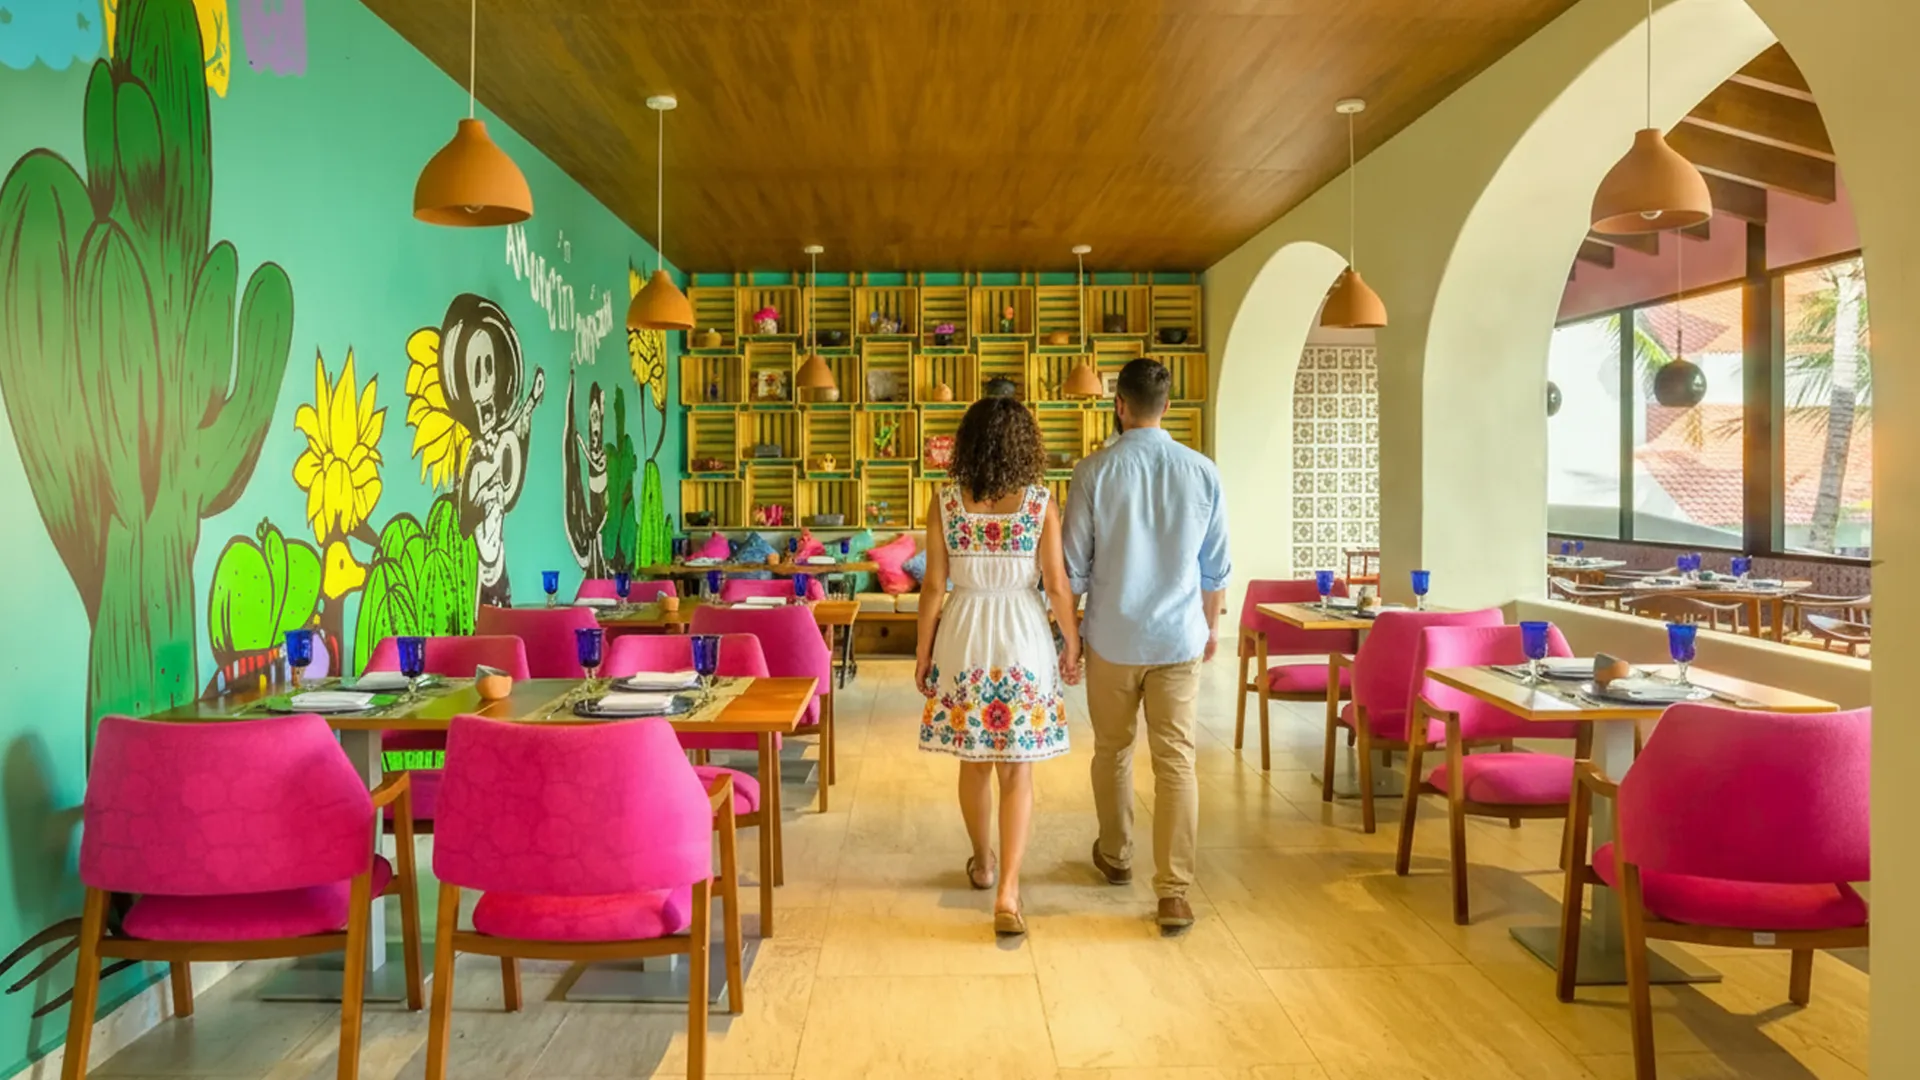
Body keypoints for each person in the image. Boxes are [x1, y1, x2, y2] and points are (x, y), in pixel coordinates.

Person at [1064, 357, 1230, 930]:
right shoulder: (1202, 471)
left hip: (1111, 637)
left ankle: (1116, 857)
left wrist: (1070, 638)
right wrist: (1210, 629)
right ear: (1167, 407)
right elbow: (1216, 569)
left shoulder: (1093, 472)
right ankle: (1174, 892)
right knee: (1176, 760)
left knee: (1112, 750)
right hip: (1179, 639)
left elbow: (1072, 569)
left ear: (1119, 405)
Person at [915, 396, 1082, 937]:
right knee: (1017, 767)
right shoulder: (1039, 503)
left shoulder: (944, 502)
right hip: (1022, 635)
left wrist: (923, 653)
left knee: (973, 760)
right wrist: (1072, 642)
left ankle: (983, 863)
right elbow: (1056, 585)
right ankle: (1009, 890)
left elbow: (934, 587)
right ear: (1024, 446)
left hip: (963, 633)